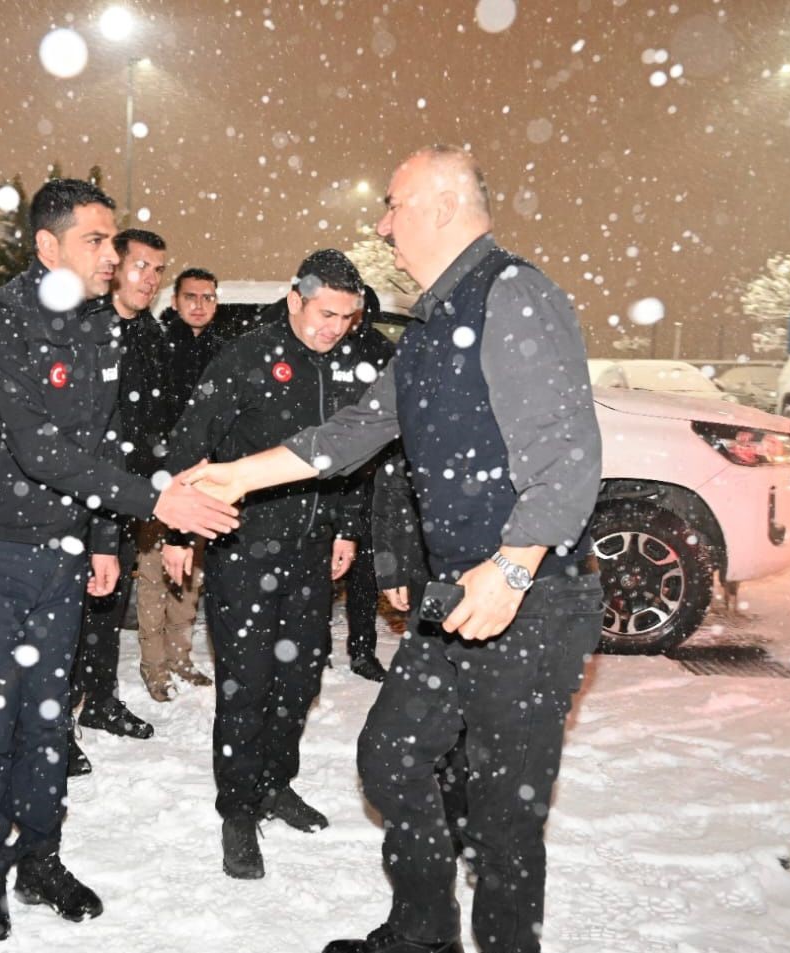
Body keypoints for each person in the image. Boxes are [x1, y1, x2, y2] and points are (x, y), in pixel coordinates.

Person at [187, 146, 603, 953]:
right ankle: (422, 929)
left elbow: (568, 455)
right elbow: (353, 431)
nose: (381, 223)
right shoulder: (430, 324)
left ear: (444, 205)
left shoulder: (512, 294)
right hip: (457, 594)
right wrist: (240, 474)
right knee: (392, 758)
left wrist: (514, 565)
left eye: (393, 203)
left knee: (503, 817)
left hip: (531, 596)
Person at [0, 178, 238, 943]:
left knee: (46, 720)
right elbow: (38, 447)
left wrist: (102, 539)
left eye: (113, 240)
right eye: (95, 241)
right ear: (48, 246)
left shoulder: (101, 329)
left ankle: (41, 857)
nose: (112, 255)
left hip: (61, 551)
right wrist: (155, 503)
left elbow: (98, 442)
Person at [161, 249, 371, 880]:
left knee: (300, 681)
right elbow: (189, 441)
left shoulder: (347, 369)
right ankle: (237, 810)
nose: (334, 327)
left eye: (347, 317)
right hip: (243, 551)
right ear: (294, 300)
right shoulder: (246, 357)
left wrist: (347, 530)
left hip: (312, 552)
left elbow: (354, 458)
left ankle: (278, 784)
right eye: (325, 312)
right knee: (245, 686)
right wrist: (176, 528)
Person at [69, 228, 169, 760]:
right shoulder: (85, 329)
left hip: (128, 498)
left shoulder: (152, 336)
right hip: (78, 497)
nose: (149, 279)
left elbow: (156, 422)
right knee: (71, 611)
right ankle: (57, 721)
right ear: (115, 267)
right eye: (140, 266)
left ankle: (101, 698)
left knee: (108, 604)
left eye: (158, 270)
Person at [134, 267, 222, 701]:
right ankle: (154, 666)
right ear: (175, 300)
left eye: (208, 297)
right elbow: (145, 417)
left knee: (191, 574)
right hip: (162, 481)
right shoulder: (156, 346)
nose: (200, 305)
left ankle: (180, 654)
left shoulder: (223, 351)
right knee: (153, 575)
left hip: (206, 479)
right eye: (191, 296)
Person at [337, 287, 398, 682]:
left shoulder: (380, 350)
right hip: (323, 473)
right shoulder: (321, 342)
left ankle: (362, 650)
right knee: (317, 565)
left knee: (364, 570)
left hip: (371, 474)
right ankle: (312, 649)